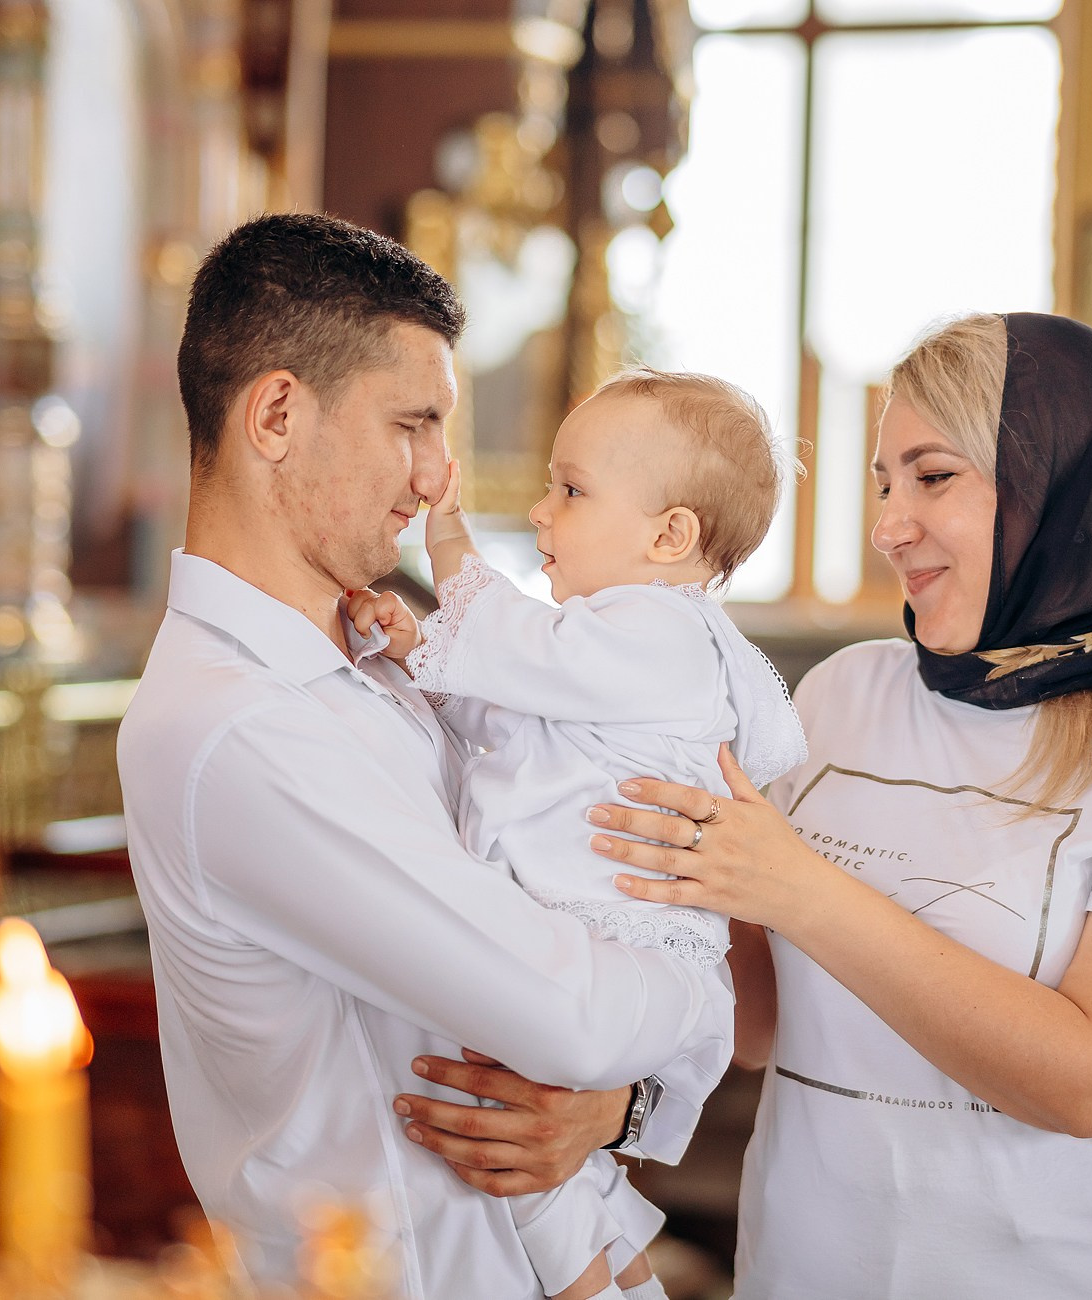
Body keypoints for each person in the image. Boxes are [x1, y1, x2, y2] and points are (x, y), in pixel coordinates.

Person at [426, 312, 1092, 1296]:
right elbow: (755, 1018)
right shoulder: (846, 694)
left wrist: (799, 890)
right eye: (883, 484)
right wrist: (615, 1102)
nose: (888, 526)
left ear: (1056, 488)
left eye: (933, 477)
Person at [117, 213, 730, 1298]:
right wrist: (701, 991)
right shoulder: (232, 727)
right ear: (275, 415)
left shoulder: (378, 656)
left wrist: (620, 1103)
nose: (439, 475)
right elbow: (570, 1012)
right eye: (413, 424)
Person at [350, 368, 805, 1300]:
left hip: (619, 952)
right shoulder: (612, 653)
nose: (542, 510)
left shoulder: (659, 633)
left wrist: (449, 538)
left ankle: (590, 1286)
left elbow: (513, 650)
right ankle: (624, 1278)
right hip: (610, 958)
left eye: (571, 490)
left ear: (669, 536)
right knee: (546, 1151)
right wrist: (420, 650)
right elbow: (509, 721)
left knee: (502, 1134)